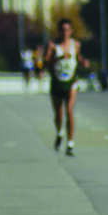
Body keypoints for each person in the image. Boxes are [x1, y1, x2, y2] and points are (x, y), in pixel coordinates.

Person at [44, 18, 89, 157]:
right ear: (59, 31)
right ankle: (59, 133)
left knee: (69, 110)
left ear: (71, 31)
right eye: (62, 30)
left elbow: (78, 58)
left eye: (68, 30)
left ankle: (70, 143)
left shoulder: (76, 45)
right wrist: (58, 58)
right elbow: (46, 62)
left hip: (71, 82)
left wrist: (83, 62)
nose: (65, 33)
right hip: (57, 82)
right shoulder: (52, 45)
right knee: (59, 113)